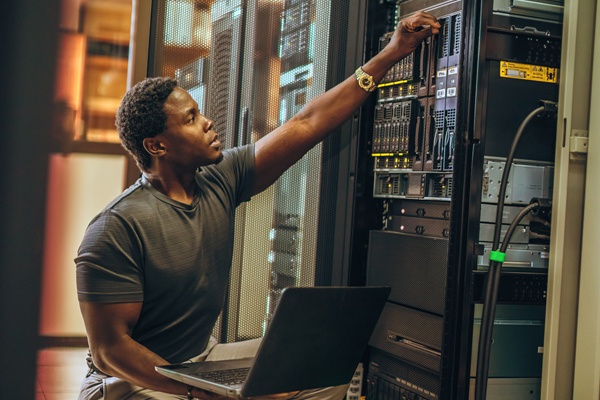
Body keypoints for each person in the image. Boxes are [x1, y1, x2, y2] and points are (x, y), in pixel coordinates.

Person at [76, 11, 440, 400]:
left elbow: (306, 123)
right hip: (131, 382)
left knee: (321, 367)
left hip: (199, 359)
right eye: (191, 118)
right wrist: (204, 393)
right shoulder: (116, 229)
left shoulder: (220, 179)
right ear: (157, 146)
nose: (208, 123)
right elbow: (111, 352)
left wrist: (392, 52)